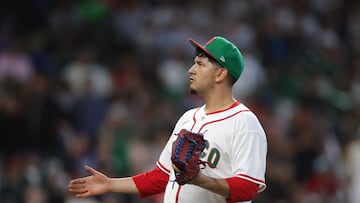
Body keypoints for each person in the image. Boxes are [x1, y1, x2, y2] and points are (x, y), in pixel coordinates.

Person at [68, 36, 267, 203]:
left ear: (220, 73)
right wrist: (111, 184)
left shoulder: (244, 123)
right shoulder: (189, 118)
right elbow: (162, 176)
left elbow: (248, 187)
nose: (191, 69)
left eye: (200, 64)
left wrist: (198, 179)